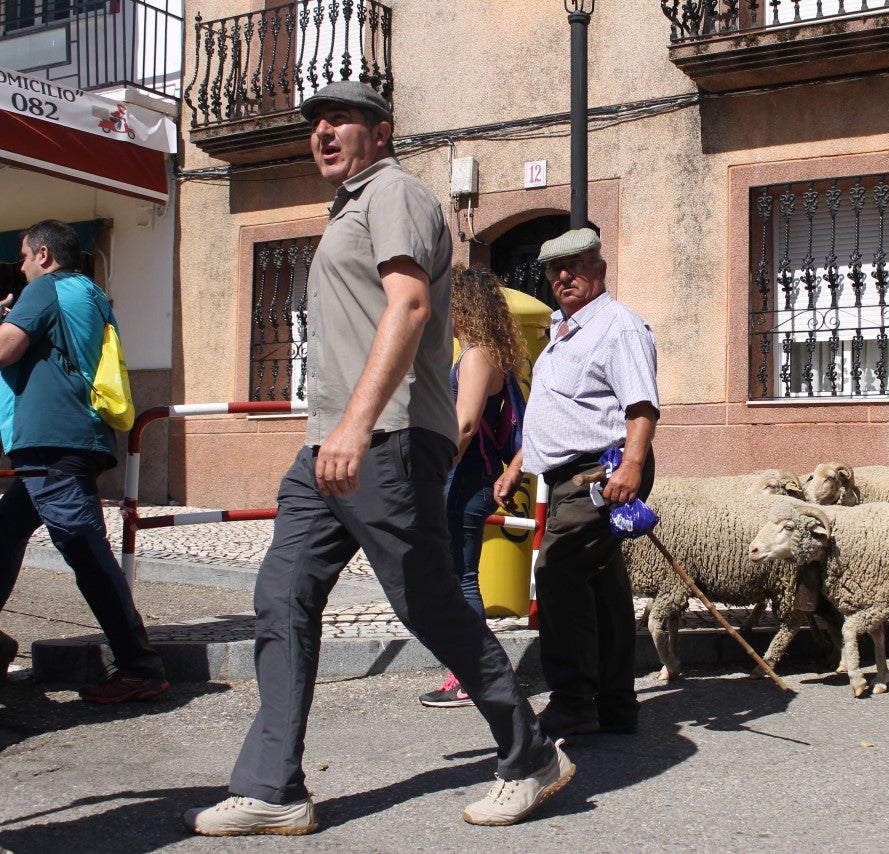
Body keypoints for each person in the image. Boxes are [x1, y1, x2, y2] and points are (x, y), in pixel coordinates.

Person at [182, 82, 571, 836]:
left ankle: (530, 757)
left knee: (425, 602)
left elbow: (411, 306)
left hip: (382, 438)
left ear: (382, 131)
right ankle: (273, 787)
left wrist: (357, 428)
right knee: (282, 594)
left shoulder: (395, 193)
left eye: (341, 120)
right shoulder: (349, 208)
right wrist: (335, 432)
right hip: (328, 446)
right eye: (314, 122)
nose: (322, 131)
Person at [494, 227, 659, 739]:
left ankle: (572, 702)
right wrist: (518, 463)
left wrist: (631, 467)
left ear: (599, 269)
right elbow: (558, 410)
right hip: (573, 470)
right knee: (602, 587)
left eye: (576, 266)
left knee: (559, 572)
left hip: (602, 470)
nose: (563, 277)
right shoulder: (563, 332)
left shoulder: (618, 326)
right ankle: (614, 704)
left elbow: (641, 406)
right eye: (554, 270)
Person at [0, 220, 168, 703]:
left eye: (25, 255)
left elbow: (7, 347)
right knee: (3, 534)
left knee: (86, 552)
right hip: (71, 440)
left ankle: (139, 666)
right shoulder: (91, 294)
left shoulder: (45, 288)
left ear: (46, 255)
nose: (22, 265)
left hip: (53, 445)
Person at [419, 266, 526, 708]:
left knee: (462, 580)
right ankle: (468, 673)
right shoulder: (485, 352)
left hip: (465, 480)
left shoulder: (479, 355)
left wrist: (437, 473)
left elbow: (463, 425)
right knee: (457, 577)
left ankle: (474, 679)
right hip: (469, 478)